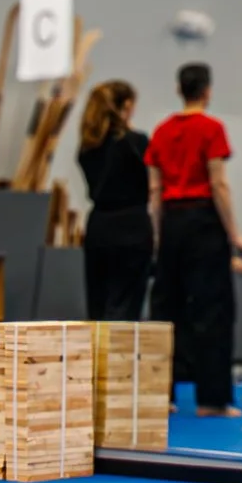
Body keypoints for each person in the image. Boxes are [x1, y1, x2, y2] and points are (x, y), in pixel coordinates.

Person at [146, 62, 242, 418]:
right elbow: (218, 182)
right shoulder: (212, 129)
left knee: (165, 310)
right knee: (213, 311)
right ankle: (212, 399)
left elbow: (155, 190)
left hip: (172, 221)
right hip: (204, 221)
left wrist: (160, 237)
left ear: (179, 90)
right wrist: (234, 233)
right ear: (207, 91)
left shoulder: (160, 131)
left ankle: (162, 395)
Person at [75, 80, 152, 321]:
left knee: (98, 305)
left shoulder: (87, 147)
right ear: (126, 105)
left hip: (99, 228)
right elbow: (154, 183)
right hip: (132, 227)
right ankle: (119, 358)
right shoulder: (136, 143)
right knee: (125, 309)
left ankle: (98, 357)